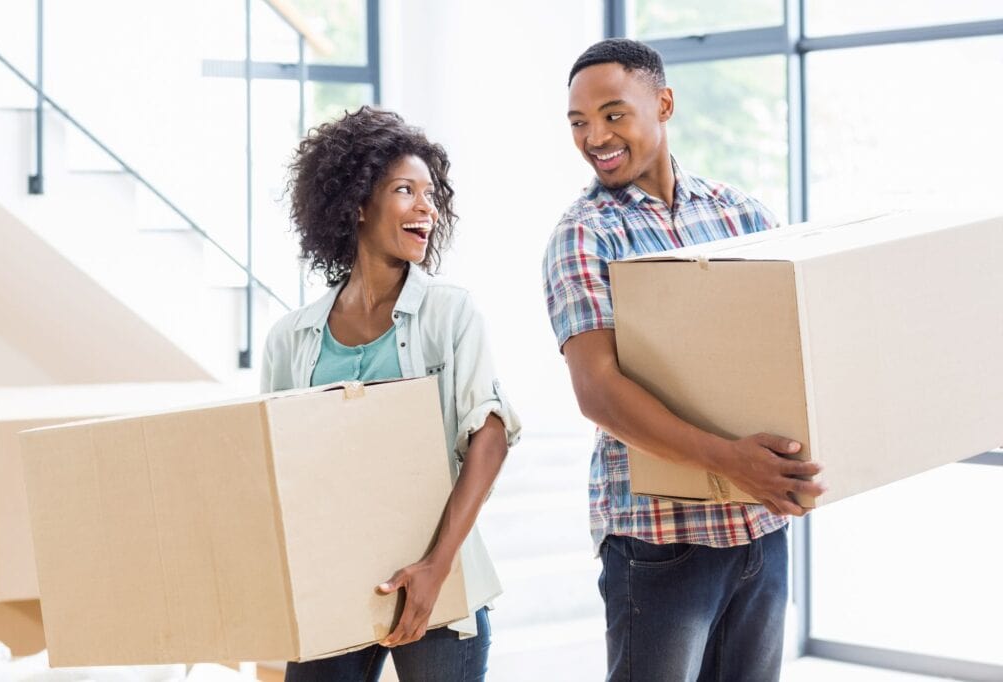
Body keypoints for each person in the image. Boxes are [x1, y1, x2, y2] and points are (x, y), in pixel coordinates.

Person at [542, 38, 827, 682]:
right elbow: (599, 390)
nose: (595, 137)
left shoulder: (743, 215)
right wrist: (729, 460)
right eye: (580, 123)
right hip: (659, 541)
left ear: (663, 103)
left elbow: (786, 353)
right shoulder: (585, 234)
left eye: (614, 114)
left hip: (759, 526)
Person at [262, 106, 521, 682]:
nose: (427, 208)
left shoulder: (450, 314)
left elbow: (491, 439)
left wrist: (433, 569)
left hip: (438, 574)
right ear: (356, 203)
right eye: (406, 191)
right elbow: (277, 468)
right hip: (330, 581)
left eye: (431, 194)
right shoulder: (290, 338)